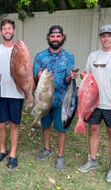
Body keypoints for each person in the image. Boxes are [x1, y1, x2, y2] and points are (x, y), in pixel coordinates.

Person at [78, 24, 111, 182]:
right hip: (94, 103)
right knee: (93, 130)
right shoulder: (93, 56)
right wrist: (83, 76)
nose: (106, 38)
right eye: (103, 35)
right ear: (100, 38)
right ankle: (92, 159)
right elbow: (86, 77)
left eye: (109, 35)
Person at [33, 25, 78, 170]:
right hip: (44, 99)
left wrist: (71, 77)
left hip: (61, 99)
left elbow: (67, 79)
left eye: (58, 36)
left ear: (63, 37)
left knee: (61, 128)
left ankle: (60, 155)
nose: (55, 39)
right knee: (45, 125)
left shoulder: (69, 57)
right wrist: (37, 77)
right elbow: (34, 80)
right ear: (48, 37)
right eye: (52, 36)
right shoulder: (40, 56)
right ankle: (46, 148)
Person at [0, 19, 24, 169]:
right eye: (4, 29)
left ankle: (13, 154)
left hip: (16, 93)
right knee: (0, 125)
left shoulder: (20, 50)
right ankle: (2, 150)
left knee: (14, 124)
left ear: (14, 31)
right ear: (1, 32)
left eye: (10, 28)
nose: (7, 31)